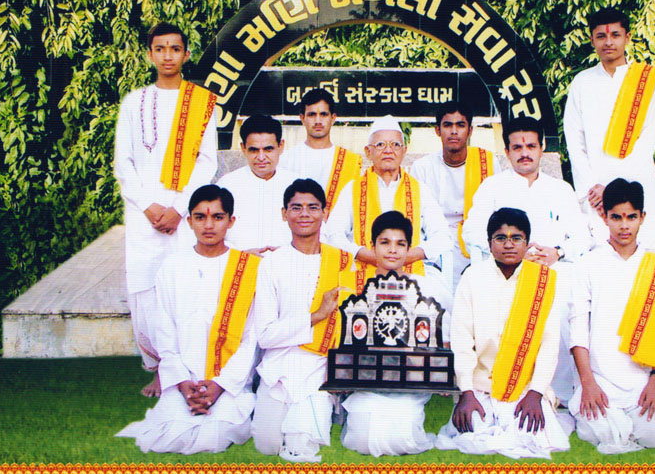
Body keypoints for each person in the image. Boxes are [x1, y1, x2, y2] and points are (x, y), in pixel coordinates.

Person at [114, 22, 218, 397]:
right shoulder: (134, 102)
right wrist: (148, 206)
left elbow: (207, 162)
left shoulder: (202, 103)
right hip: (143, 214)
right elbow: (124, 163)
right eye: (160, 49)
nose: (168, 56)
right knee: (144, 291)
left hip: (185, 215)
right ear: (150, 55)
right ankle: (158, 368)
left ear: (186, 54)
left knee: (184, 288)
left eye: (175, 49)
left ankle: (186, 368)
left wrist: (177, 208)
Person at [116, 185, 259, 454]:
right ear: (190, 221)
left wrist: (220, 385)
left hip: (229, 384)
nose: (209, 225)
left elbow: (251, 337)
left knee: (214, 437)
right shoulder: (172, 266)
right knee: (167, 437)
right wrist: (182, 383)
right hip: (183, 380)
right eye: (200, 217)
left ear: (231, 221)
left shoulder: (248, 269)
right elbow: (164, 331)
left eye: (217, 217)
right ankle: (184, 405)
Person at [461, 117, 592, 406]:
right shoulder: (492, 187)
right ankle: (504, 383)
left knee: (565, 305)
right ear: (507, 151)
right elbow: (471, 231)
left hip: (553, 269)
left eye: (531, 146)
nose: (524, 153)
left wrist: (558, 252)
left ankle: (558, 393)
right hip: (506, 271)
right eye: (517, 147)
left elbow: (583, 237)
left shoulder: (561, 190)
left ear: (542, 147)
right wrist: (511, 254)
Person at [436, 208, 569, 459]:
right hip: (480, 386)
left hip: (525, 388)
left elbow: (549, 345)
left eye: (516, 238)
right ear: (489, 243)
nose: (508, 245)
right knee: (475, 430)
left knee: (532, 434)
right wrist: (466, 392)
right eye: (500, 238)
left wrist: (536, 393)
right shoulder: (473, 277)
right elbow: (462, 341)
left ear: (527, 243)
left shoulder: (541, 282)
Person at [569, 178, 655, 454]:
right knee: (599, 431)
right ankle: (611, 422)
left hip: (641, 381)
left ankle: (626, 426)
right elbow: (578, 331)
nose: (624, 225)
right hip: (599, 378)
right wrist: (588, 384)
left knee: (654, 434)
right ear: (604, 217)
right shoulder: (587, 264)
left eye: (631, 217)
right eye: (616, 217)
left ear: (642, 217)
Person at [251, 178, 354, 462]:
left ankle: (327, 410)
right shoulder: (271, 263)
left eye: (312, 207)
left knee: (301, 446)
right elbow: (265, 336)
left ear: (325, 212)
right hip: (278, 366)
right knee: (267, 444)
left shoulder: (344, 262)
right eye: (296, 207)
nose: (305, 214)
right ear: (284, 213)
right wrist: (317, 315)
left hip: (320, 368)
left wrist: (341, 371)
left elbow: (351, 327)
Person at [341, 211, 451, 457]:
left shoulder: (426, 286)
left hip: (410, 381)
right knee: (363, 440)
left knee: (403, 442)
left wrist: (441, 373)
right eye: (385, 242)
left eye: (400, 244)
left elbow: (443, 337)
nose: (392, 250)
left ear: (408, 249)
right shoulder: (355, 286)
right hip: (367, 380)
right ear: (372, 246)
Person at [563, 7, 655, 249]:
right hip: (596, 194)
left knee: (647, 252)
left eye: (615, 35)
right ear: (592, 40)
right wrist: (593, 190)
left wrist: (613, 189)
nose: (608, 42)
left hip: (637, 183)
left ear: (627, 37)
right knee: (600, 256)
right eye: (601, 36)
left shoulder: (644, 83)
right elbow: (575, 142)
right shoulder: (582, 83)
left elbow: (647, 140)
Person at [325, 115, 452, 295]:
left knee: (438, 300)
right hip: (364, 270)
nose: (388, 150)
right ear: (368, 151)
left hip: (410, 271)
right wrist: (366, 254)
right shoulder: (353, 189)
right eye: (380, 145)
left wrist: (405, 257)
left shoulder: (419, 189)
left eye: (395, 145)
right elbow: (333, 235)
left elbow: (443, 236)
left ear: (404, 151)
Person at [410, 101, 501, 290]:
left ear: (470, 131)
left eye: (460, 125)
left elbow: (497, 209)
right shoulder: (423, 167)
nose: (454, 131)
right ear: (437, 130)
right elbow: (417, 216)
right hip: (436, 241)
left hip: (478, 241)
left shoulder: (487, 162)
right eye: (447, 125)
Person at [216, 114, 297, 255]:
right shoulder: (226, 185)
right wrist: (241, 255)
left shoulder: (297, 185)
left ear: (281, 146)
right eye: (254, 150)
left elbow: (316, 232)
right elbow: (212, 233)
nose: (261, 157)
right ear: (243, 148)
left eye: (268, 149)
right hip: (238, 263)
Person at [279, 88, 362, 216]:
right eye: (312, 115)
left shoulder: (350, 161)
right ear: (302, 118)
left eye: (323, 114)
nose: (318, 121)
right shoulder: (286, 159)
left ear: (333, 118)